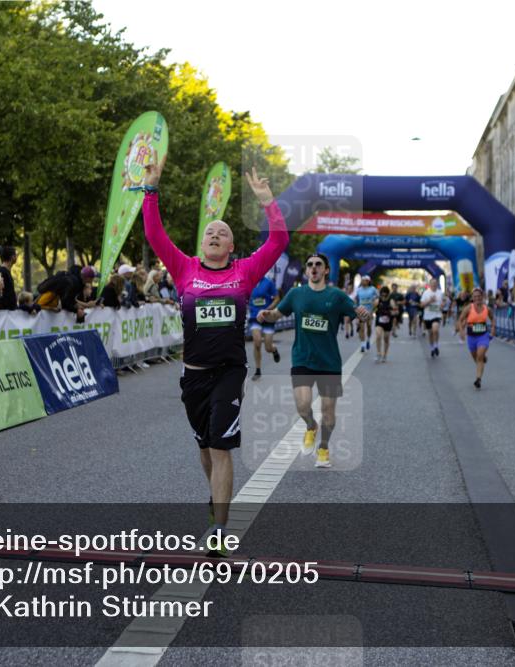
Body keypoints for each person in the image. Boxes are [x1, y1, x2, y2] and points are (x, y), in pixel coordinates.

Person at [143, 157, 287, 555]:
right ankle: (215, 499)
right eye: (210, 231)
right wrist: (150, 189)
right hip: (194, 376)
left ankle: (221, 530)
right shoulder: (184, 268)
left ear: (231, 245)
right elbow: (155, 235)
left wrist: (267, 202)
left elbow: (278, 242)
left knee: (221, 446)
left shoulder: (245, 271)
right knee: (205, 447)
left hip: (228, 372)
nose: (215, 235)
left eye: (222, 232)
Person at [257, 253, 368, 468]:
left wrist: (364, 314)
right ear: (306, 271)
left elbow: (359, 313)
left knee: (328, 410)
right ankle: (310, 426)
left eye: (318, 265)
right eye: (310, 265)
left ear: (326, 270)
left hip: (329, 362)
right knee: (302, 405)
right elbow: (277, 314)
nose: (313, 268)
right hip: (302, 358)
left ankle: (324, 448)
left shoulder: (336, 296)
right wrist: (266, 314)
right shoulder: (296, 294)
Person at [456, 287, 496, 389]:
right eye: (475, 297)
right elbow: (460, 320)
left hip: (483, 336)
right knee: (477, 358)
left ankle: (478, 379)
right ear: (472, 298)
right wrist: (461, 331)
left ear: (482, 297)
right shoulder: (469, 308)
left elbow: (492, 320)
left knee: (479, 356)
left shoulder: (487, 309)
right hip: (471, 338)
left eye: (479, 296)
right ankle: (483, 358)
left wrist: (492, 330)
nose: (477, 298)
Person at [248, 272, 280, 380]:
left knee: (267, 347)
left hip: (267, 317)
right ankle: (258, 370)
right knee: (257, 342)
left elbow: (276, 298)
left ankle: (274, 349)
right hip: (254, 317)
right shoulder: (249, 282)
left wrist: (268, 309)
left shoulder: (268, 283)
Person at [420, 278, 444, 357]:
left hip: (437, 315)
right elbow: (422, 305)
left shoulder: (440, 293)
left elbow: (443, 303)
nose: (434, 284)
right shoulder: (426, 293)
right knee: (430, 333)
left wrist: (442, 306)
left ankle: (436, 345)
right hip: (427, 316)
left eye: (435, 283)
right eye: (432, 283)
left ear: (437, 284)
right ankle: (432, 348)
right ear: (430, 284)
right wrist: (430, 301)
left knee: (435, 329)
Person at [354, 275, 378, 353]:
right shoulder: (359, 290)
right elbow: (356, 299)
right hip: (361, 310)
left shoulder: (372, 289)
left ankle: (368, 339)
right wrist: (355, 308)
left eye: (364, 280)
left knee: (369, 326)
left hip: (369, 310)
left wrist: (374, 305)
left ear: (368, 281)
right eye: (362, 280)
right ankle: (363, 345)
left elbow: (378, 298)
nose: (363, 281)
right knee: (361, 328)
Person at [374, 286, 395, 362]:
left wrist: (393, 311)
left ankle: (385, 355)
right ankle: (378, 353)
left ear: (388, 294)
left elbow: (395, 309)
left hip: (388, 322)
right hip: (379, 321)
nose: (383, 296)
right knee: (378, 335)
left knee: (386, 339)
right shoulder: (378, 300)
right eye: (382, 294)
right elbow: (373, 307)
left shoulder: (391, 301)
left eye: (385, 294)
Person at [0, 246, 18, 310]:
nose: (16, 257)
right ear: (12, 257)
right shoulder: (1, 272)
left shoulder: (6, 271)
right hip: (6, 312)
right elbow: (0, 293)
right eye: (15, 255)